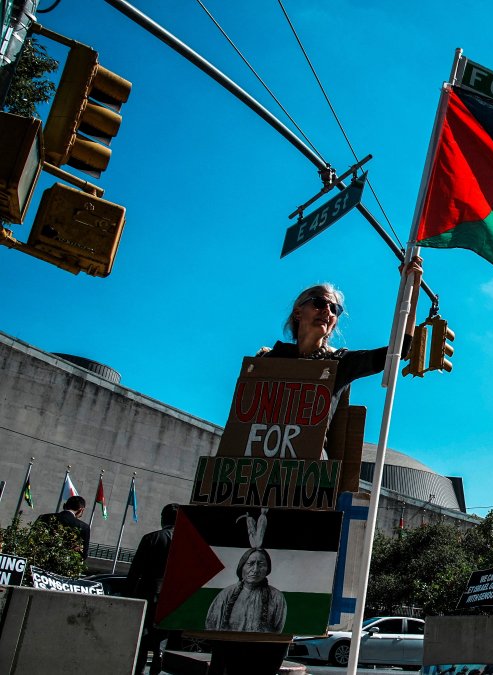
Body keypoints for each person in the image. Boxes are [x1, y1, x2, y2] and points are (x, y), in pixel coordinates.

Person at [208, 280, 415, 675]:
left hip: (304, 490)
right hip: (252, 483)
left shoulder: (338, 363)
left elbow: (396, 354)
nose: (327, 311)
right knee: (230, 622)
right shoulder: (269, 357)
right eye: (319, 303)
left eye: (334, 308)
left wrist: (412, 284)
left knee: (284, 582)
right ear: (298, 312)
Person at [126, 503, 178, 675]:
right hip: (172, 595)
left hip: (148, 591)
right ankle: (159, 657)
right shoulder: (186, 542)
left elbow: (135, 571)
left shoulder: (151, 538)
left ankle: (140, 668)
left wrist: (127, 594)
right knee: (162, 635)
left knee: (143, 635)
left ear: (163, 518)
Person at [205, 547, 287, 632]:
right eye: (250, 564)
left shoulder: (277, 597)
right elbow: (211, 627)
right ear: (241, 567)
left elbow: (277, 631)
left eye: (261, 564)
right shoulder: (226, 594)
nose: (255, 570)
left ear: (267, 569)